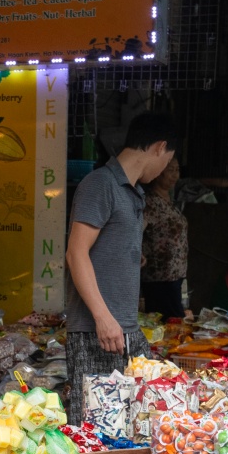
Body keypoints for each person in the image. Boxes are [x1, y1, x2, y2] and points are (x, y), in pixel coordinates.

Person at [64, 112, 178, 423]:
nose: (165, 169)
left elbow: (102, 249)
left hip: (124, 329)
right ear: (159, 147)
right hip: (97, 332)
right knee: (95, 433)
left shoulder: (133, 192)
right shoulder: (100, 184)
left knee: (138, 425)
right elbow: (76, 253)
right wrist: (102, 317)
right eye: (168, 160)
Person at [140, 155, 188, 319]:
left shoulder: (169, 201)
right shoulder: (149, 202)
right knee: (171, 320)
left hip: (175, 275)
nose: (175, 175)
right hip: (159, 277)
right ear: (158, 172)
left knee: (172, 322)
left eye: (177, 170)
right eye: (170, 170)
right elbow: (135, 231)